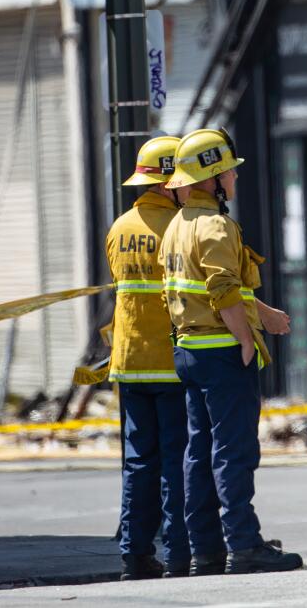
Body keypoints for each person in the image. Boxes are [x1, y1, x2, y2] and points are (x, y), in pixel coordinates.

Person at [160, 128, 302, 575]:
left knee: (199, 453)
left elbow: (211, 290)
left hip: (190, 351)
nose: (235, 181)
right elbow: (222, 288)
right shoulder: (216, 226)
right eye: (229, 174)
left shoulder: (176, 227)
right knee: (233, 452)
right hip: (223, 353)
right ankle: (243, 544)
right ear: (213, 180)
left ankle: (205, 550)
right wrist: (246, 336)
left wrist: (262, 314)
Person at [107, 135, 189, 580]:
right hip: (171, 362)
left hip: (129, 362)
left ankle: (135, 553)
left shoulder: (120, 227)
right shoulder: (178, 227)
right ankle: (178, 548)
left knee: (139, 460)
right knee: (177, 459)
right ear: (169, 182)